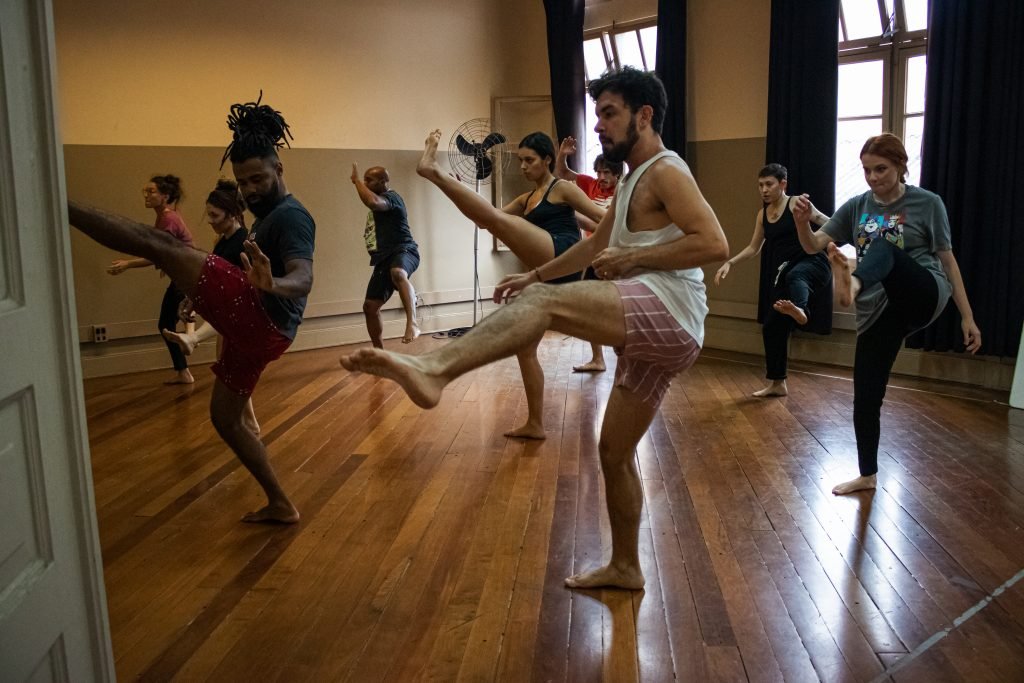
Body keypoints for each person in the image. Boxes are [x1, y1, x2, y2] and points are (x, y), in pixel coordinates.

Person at [342, 67, 729, 590]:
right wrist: (535, 274)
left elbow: (714, 243)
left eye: (609, 114)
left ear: (645, 115)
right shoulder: (636, 175)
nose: (599, 126)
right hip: (661, 323)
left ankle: (434, 369)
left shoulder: (665, 170)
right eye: (598, 116)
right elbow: (592, 247)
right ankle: (626, 566)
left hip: (670, 310)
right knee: (613, 451)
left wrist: (636, 262)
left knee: (544, 305)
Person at [68, 95, 315, 523]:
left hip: (260, 318)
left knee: (160, 244)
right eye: (243, 183)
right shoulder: (266, 213)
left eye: (258, 178)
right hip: (258, 331)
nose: (250, 190)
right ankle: (281, 503)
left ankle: (57, 202)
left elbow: (304, 278)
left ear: (280, 169)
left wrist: (273, 283)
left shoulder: (293, 217)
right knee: (225, 418)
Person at [792, 133, 981, 495]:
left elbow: (949, 262)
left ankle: (854, 284)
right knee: (866, 393)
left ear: (900, 166)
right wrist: (803, 222)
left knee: (883, 247)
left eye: (881, 169)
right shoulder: (857, 206)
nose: (873, 177)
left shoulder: (927, 203)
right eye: (867, 170)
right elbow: (815, 244)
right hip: (881, 310)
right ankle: (867, 475)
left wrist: (967, 317)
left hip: (923, 291)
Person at [412, 129, 604, 439]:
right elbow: (484, 220)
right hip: (545, 275)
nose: (524, 167)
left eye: (530, 160)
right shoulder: (527, 198)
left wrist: (621, 244)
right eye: (520, 161)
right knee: (524, 349)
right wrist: (459, 191)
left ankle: (432, 172)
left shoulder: (563, 188)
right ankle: (536, 424)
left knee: (498, 221)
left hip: (563, 257)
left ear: (546, 160)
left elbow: (598, 216)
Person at [714, 163, 833, 397]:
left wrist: (828, 241)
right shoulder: (763, 215)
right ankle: (778, 384)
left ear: (783, 184)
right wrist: (730, 262)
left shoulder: (797, 203)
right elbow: (753, 247)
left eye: (769, 184)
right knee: (771, 327)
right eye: (760, 185)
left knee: (796, 274)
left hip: (813, 263)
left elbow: (829, 221)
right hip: (784, 272)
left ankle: (801, 310)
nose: (764, 190)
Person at [162, 179, 261, 434]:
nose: (210, 220)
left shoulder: (243, 243)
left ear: (232, 214)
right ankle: (249, 423)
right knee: (228, 369)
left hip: (242, 317)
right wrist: (192, 300)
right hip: (228, 318)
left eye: (215, 215)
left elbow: (243, 289)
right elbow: (212, 277)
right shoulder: (223, 241)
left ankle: (194, 338)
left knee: (233, 370)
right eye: (209, 214)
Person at [108, 174, 196, 384]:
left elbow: (155, 254)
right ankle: (184, 366)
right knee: (167, 322)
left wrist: (127, 264)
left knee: (166, 323)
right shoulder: (165, 216)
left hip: (186, 275)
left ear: (165, 196)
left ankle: (187, 353)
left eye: (151, 191)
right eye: (145, 192)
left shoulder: (168, 218)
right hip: (182, 274)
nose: (146, 195)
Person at [556, 136, 625, 373]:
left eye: (607, 173)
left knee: (620, 309)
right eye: (599, 172)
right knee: (590, 308)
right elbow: (563, 174)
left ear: (617, 175)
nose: (602, 177)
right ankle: (598, 359)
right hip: (594, 256)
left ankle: (625, 358)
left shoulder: (624, 192)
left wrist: (574, 218)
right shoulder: (590, 184)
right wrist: (563, 153)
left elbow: (608, 227)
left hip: (618, 258)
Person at [350, 164, 421, 347]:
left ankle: (412, 323)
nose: (365, 183)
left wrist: (356, 181)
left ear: (383, 182)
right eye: (364, 179)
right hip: (384, 258)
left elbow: (372, 202)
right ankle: (379, 353)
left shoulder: (392, 198)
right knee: (370, 307)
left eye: (369, 180)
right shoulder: (381, 199)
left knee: (398, 273)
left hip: (405, 250)